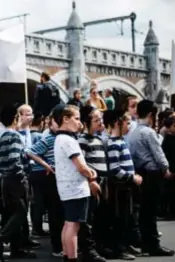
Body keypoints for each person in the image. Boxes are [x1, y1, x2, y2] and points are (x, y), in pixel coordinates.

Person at [126, 100, 175, 256]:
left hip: (140, 171)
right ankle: (153, 244)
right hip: (152, 174)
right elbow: (159, 155)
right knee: (151, 211)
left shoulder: (132, 132)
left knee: (144, 211)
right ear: (150, 115)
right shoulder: (148, 132)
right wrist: (166, 169)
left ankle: (145, 243)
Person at [0, 103, 37, 261]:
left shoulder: (2, 136)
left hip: (6, 179)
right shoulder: (15, 136)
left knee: (12, 212)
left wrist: (4, 172)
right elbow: (15, 159)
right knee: (21, 212)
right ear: (15, 118)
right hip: (17, 179)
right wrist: (21, 173)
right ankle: (1, 237)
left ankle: (16, 248)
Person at [53, 105, 101, 262]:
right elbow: (81, 166)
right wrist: (92, 174)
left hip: (67, 187)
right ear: (65, 119)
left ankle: (67, 256)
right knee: (73, 226)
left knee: (68, 224)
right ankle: (72, 257)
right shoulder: (68, 140)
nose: (79, 122)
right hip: (75, 188)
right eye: (77, 118)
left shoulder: (61, 138)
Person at [104, 110, 142, 260]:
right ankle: (118, 249)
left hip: (126, 186)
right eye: (126, 123)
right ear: (116, 123)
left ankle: (125, 245)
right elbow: (115, 169)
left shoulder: (121, 141)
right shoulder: (113, 144)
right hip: (120, 187)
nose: (129, 126)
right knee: (120, 218)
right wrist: (132, 177)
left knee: (127, 217)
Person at [28, 113, 64, 257]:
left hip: (63, 179)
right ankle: (56, 246)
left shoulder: (68, 137)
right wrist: (46, 165)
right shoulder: (48, 138)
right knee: (53, 211)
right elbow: (29, 151)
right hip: (49, 178)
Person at [77, 106, 109, 261]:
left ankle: (99, 246)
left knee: (100, 217)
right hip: (92, 183)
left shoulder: (99, 139)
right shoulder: (82, 140)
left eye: (100, 120)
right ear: (87, 122)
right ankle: (88, 250)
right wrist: (91, 180)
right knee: (88, 218)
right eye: (96, 120)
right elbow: (81, 163)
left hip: (103, 182)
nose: (99, 123)